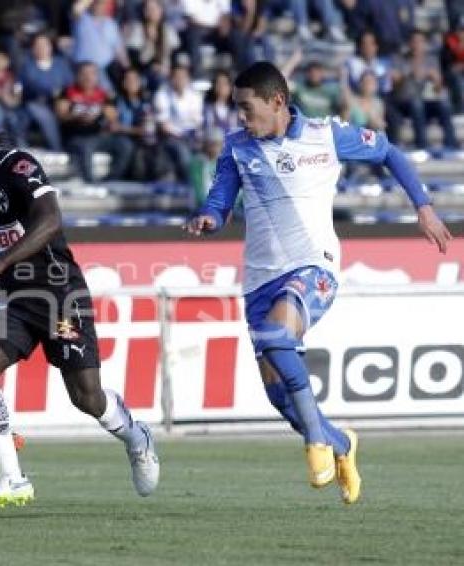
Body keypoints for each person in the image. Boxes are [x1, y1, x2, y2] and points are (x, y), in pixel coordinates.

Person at [185, 61, 452, 505]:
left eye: (247, 109)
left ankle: (316, 441)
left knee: (276, 335)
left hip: (314, 267)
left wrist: (422, 207)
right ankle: (342, 443)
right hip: (258, 280)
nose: (241, 120)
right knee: (279, 399)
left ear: (277, 102)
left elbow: (388, 151)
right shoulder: (236, 148)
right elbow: (220, 198)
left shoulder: (325, 135)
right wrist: (209, 218)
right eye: (237, 110)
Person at [0, 117, 160, 505]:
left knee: (87, 398)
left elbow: (51, 221)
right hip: (16, 300)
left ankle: (135, 435)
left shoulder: (19, 167)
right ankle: (13, 477)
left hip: (60, 296)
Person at [56, 62, 134, 183]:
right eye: (84, 74)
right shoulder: (68, 92)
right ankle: (90, 182)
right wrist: (77, 117)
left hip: (99, 135)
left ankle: (111, 180)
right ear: (78, 75)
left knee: (125, 145)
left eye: (92, 74)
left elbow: (113, 115)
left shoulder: (103, 94)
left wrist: (101, 114)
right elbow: (61, 114)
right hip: (77, 136)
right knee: (85, 147)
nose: (88, 77)